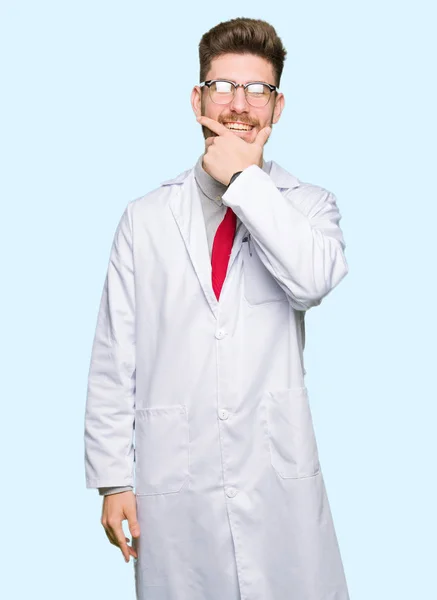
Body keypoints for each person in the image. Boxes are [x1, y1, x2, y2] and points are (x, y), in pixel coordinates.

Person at [84, 16, 350, 600]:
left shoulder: (306, 206)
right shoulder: (145, 218)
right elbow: (114, 354)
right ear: (196, 98)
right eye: (223, 87)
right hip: (176, 479)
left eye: (257, 91)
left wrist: (242, 182)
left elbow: (311, 280)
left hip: (275, 475)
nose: (239, 106)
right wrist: (111, 479)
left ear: (277, 108)